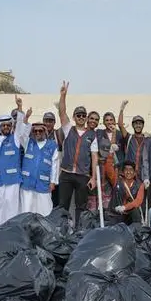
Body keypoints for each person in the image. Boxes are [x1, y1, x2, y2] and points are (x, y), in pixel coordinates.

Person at [57, 81, 97, 225]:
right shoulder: (68, 129)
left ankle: (78, 232)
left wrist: (93, 178)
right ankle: (62, 229)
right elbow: (61, 112)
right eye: (78, 115)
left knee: (81, 207)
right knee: (63, 206)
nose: (81, 117)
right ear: (74, 117)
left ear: (86, 118)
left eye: (83, 115)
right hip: (67, 173)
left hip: (82, 175)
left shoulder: (92, 135)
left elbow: (94, 157)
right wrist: (63, 96)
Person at [16, 108, 59, 216]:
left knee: (45, 212)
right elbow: (21, 134)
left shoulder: (52, 145)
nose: (38, 133)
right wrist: (26, 118)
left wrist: (53, 182)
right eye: (35, 131)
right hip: (27, 183)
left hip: (44, 185)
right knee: (26, 211)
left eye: (40, 131)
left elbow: (55, 165)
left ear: (45, 132)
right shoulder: (28, 143)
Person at [0, 97, 23, 227]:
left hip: (12, 181)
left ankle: (11, 234)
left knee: (12, 209)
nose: (6, 127)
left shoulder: (15, 138)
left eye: (8, 125)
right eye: (3, 125)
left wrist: (20, 107)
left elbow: (20, 125)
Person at [109, 161, 145, 225]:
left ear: (134, 173)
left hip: (130, 215)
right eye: (126, 169)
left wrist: (124, 207)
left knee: (135, 212)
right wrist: (111, 155)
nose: (128, 172)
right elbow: (109, 168)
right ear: (123, 172)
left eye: (131, 170)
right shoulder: (116, 180)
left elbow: (138, 201)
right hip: (116, 215)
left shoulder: (140, 185)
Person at [118, 100, 145, 173]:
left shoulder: (147, 139)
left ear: (143, 125)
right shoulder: (129, 137)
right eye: (136, 124)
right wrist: (122, 109)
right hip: (129, 172)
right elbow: (120, 125)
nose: (138, 126)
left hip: (142, 172)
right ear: (133, 125)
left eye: (140, 124)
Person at [43, 110, 63, 207]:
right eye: (46, 121)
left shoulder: (58, 134)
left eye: (51, 121)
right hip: (42, 173)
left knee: (55, 200)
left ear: (54, 122)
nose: (48, 123)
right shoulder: (38, 134)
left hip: (56, 174)